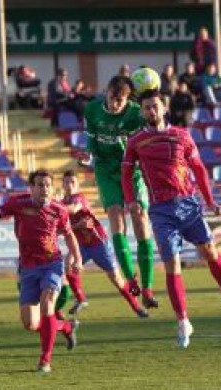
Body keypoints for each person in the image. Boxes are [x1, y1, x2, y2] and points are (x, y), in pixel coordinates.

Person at [121, 89, 221, 348]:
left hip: (189, 204)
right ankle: (183, 321)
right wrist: (131, 200)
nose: (151, 111)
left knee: (210, 251)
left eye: (155, 106)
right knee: (172, 264)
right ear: (142, 111)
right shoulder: (135, 141)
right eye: (146, 108)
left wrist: (210, 200)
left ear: (164, 108)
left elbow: (199, 169)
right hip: (160, 210)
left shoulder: (181, 135)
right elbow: (125, 173)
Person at [0, 170, 81, 373]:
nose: (44, 189)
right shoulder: (19, 203)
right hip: (28, 268)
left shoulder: (59, 209)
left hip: (52, 264)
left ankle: (45, 361)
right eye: (39, 185)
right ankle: (66, 326)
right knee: (30, 324)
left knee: (47, 305)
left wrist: (77, 258)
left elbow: (69, 234)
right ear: (31, 188)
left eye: (47, 185)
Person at [82, 75, 158, 309]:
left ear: (128, 100)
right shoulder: (92, 110)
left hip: (132, 170)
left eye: (121, 101)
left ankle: (148, 286)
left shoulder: (136, 112)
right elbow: (92, 142)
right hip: (106, 169)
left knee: (140, 217)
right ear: (106, 92)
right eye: (113, 99)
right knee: (115, 216)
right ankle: (130, 277)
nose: (115, 104)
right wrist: (89, 156)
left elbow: (152, 132)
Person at [61, 170, 149, 318]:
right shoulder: (62, 203)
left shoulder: (79, 198)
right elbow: (65, 228)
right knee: (67, 265)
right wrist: (75, 226)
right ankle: (81, 299)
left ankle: (137, 307)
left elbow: (75, 209)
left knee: (116, 279)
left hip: (98, 244)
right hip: (81, 246)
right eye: (67, 182)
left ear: (77, 185)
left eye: (73, 182)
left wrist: (57, 210)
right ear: (62, 184)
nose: (70, 185)